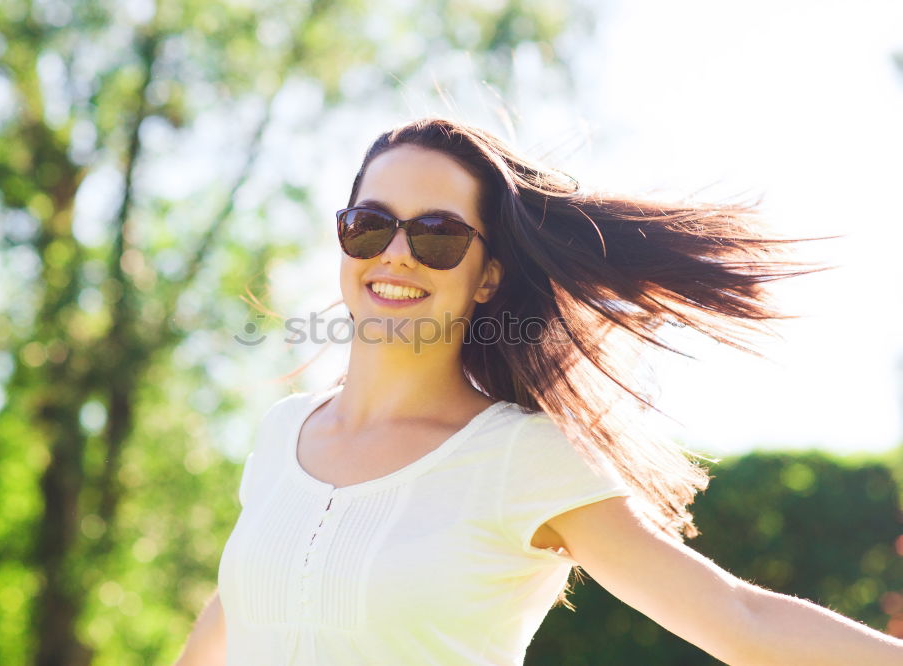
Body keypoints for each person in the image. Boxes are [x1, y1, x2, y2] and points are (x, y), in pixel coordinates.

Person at [174, 117, 903, 665]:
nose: (395, 253)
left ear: (488, 275)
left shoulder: (520, 458)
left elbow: (742, 621)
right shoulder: (282, 434)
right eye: (369, 226)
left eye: (437, 235)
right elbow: (233, 619)